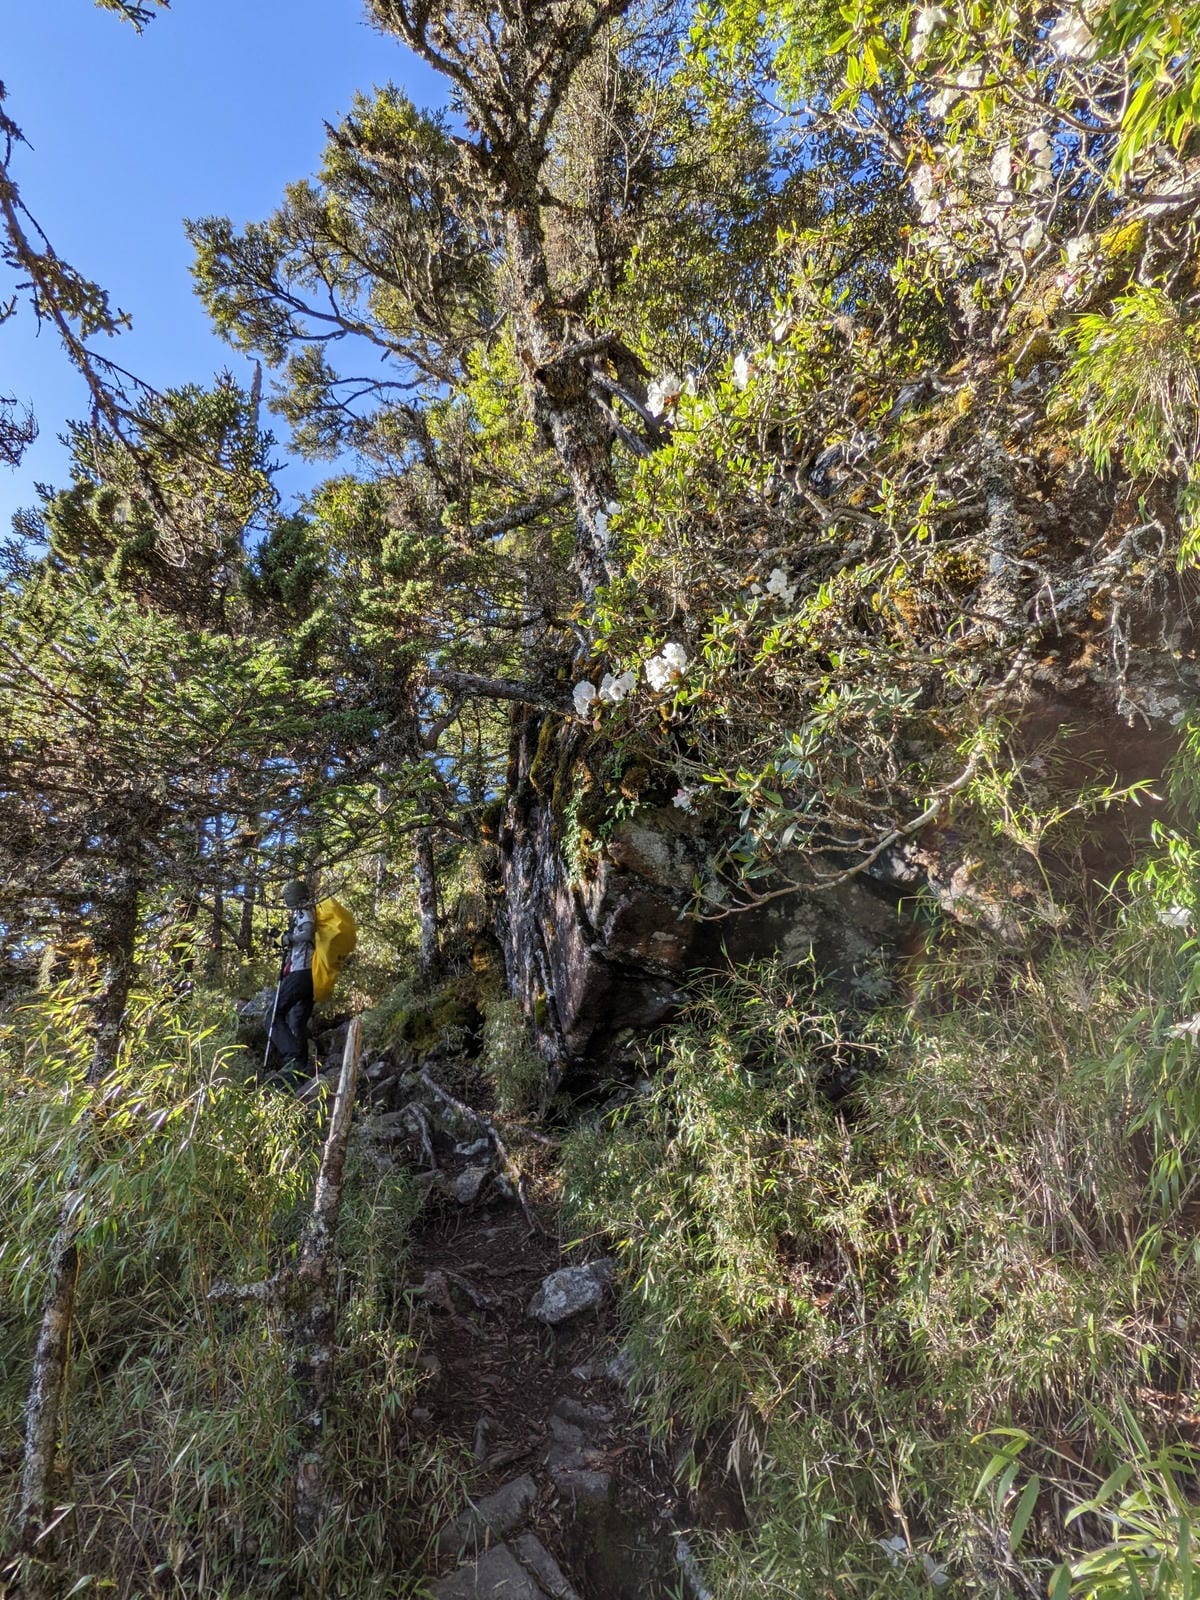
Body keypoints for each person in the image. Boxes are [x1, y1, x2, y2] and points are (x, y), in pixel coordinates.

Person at [268, 879, 316, 1087]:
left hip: (301, 973)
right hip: (308, 975)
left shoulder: (304, 911)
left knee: (272, 1015)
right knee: (296, 1021)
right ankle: (299, 1072)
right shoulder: (305, 911)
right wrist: (282, 939)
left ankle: (292, 1059)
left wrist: (287, 939)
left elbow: (307, 934)